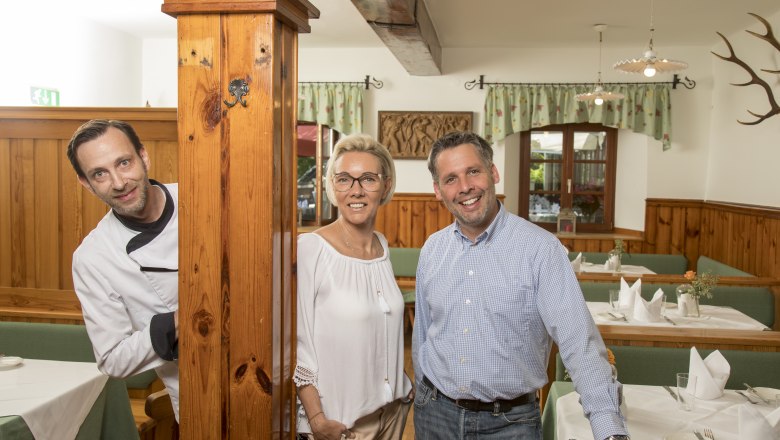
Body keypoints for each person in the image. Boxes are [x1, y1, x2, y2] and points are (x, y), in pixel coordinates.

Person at [412, 131, 630, 440]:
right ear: (438, 190)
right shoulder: (432, 249)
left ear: (493, 172)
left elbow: (579, 343)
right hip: (435, 417)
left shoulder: (541, 249)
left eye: (473, 171)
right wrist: (423, 395)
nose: (465, 187)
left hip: (510, 426)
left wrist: (609, 430)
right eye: (451, 179)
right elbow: (422, 335)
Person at [294, 134, 413, 440]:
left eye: (368, 179)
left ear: (385, 186)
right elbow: (297, 345)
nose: (356, 190)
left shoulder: (382, 246)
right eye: (345, 179)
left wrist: (401, 389)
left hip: (392, 415)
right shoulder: (311, 249)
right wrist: (318, 420)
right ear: (332, 186)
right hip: (341, 427)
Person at [67, 119, 180, 420]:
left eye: (124, 162)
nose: (118, 182)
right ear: (85, 183)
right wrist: (179, 322)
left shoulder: (204, 199)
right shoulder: (93, 258)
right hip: (197, 393)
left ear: (144, 157)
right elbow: (113, 359)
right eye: (99, 174)